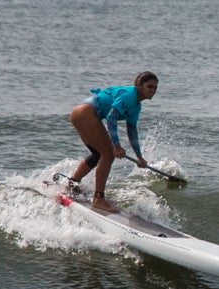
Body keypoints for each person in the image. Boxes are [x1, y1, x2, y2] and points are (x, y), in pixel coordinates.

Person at [64, 70, 158, 209]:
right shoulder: (128, 95)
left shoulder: (136, 106)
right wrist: (117, 146)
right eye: (149, 86)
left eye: (155, 88)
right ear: (138, 84)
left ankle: (72, 185)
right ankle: (98, 199)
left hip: (82, 113)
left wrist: (139, 156)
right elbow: (111, 117)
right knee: (108, 154)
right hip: (85, 112)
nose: (153, 90)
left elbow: (132, 131)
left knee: (98, 154)